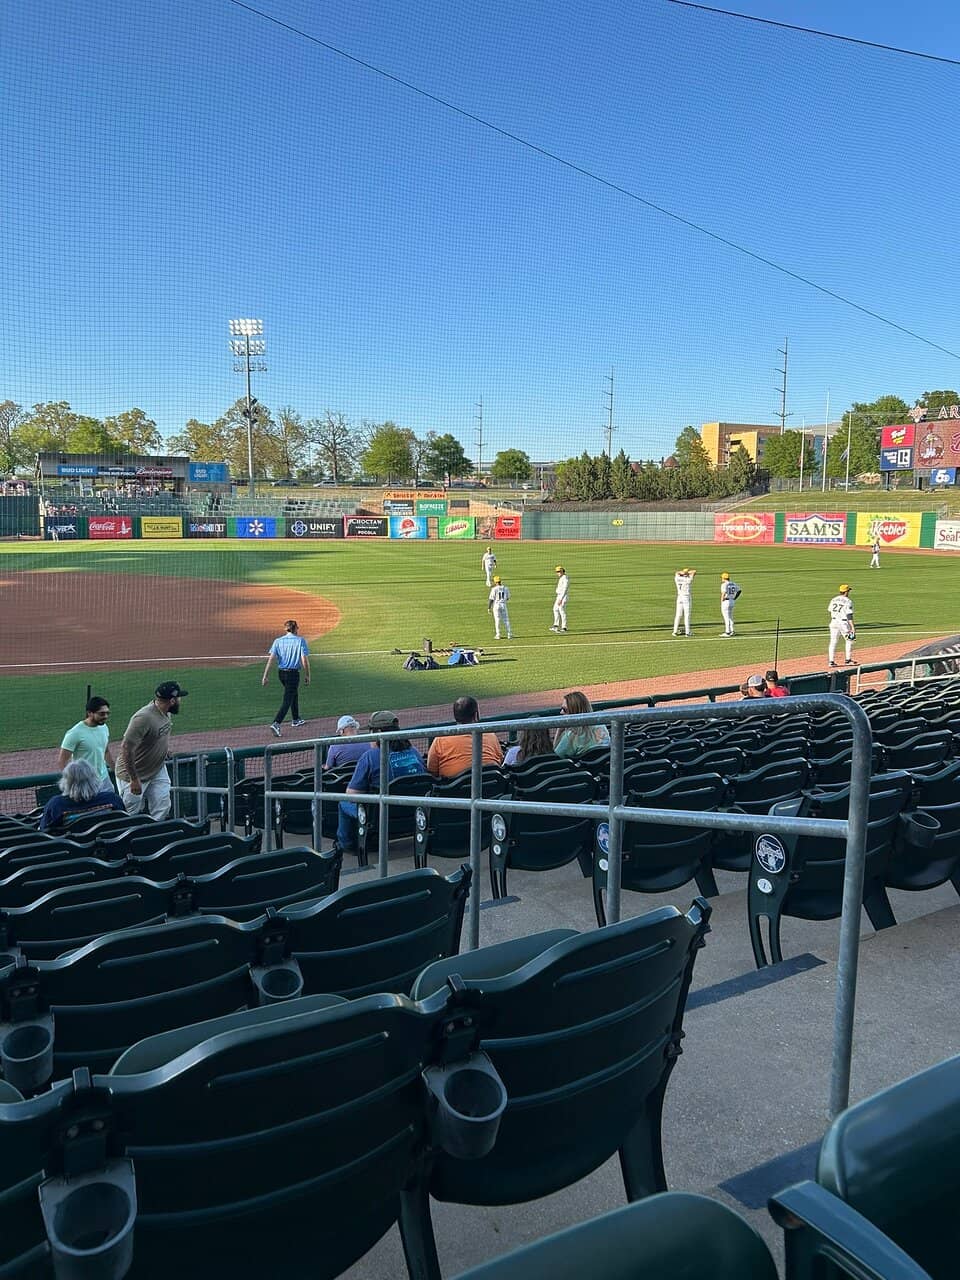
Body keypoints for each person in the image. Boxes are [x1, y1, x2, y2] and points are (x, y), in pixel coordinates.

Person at [336, 711, 427, 853]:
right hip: (415, 816)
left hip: (380, 819)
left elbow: (351, 794)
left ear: (378, 733)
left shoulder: (370, 756)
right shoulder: (414, 752)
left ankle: (346, 845)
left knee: (343, 802)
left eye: (371, 730)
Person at [114, 681, 188, 820]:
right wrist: (134, 779)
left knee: (162, 806)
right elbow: (126, 749)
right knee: (130, 813)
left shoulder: (166, 712)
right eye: (179, 698)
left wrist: (163, 750)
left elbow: (158, 734)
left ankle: (154, 837)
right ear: (172, 700)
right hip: (133, 774)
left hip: (157, 769)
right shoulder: (143, 718)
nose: (180, 701)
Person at [427, 696, 504, 777]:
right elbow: (500, 761)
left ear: (455, 716)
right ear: (476, 715)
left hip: (454, 788)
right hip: (491, 787)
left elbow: (432, 771)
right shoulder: (490, 735)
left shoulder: (441, 739)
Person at [40, 758, 124, 832]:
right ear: (94, 779)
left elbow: (44, 831)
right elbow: (125, 823)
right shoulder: (112, 799)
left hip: (70, 849)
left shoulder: (56, 805)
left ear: (67, 782)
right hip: (108, 847)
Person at [262, 619, 311, 737]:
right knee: (287, 699)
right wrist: (308, 675)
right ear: (294, 629)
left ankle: (296, 719)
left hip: (281, 674)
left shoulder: (278, 641)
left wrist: (265, 675)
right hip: (293, 674)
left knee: (293, 693)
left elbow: (271, 659)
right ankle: (276, 723)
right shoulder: (300, 641)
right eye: (297, 628)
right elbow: (304, 659)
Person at [56, 696, 115, 783]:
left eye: (107, 713)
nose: (106, 716)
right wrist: (72, 781)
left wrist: (114, 769)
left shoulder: (104, 727)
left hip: (104, 779)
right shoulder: (75, 733)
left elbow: (105, 751)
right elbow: (62, 761)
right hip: (85, 782)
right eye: (102, 713)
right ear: (90, 713)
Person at [554, 690, 610, 758]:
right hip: (607, 766)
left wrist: (559, 730)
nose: (561, 712)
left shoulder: (571, 735)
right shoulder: (600, 725)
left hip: (584, 768)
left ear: (574, 712)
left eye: (564, 709)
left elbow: (556, 756)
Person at [828, 584, 856, 667]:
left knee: (833, 642)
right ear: (846, 592)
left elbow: (830, 610)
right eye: (848, 591)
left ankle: (831, 661)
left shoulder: (833, 599)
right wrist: (852, 627)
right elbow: (849, 615)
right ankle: (848, 660)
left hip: (833, 622)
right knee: (849, 640)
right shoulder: (848, 601)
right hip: (843, 623)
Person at [673, 568, 696, 637]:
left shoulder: (677, 578)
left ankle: (675, 631)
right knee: (687, 615)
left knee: (678, 615)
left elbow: (676, 572)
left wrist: (683, 572)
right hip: (686, 597)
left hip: (679, 597)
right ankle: (688, 632)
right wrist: (687, 573)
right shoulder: (688, 579)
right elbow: (694, 571)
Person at [488, 575, 512, 640]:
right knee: (506, 620)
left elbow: (491, 599)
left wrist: (489, 608)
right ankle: (509, 634)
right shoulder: (506, 588)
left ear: (495, 582)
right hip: (503, 604)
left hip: (496, 605)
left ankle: (498, 635)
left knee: (497, 620)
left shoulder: (494, 589)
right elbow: (508, 597)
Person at [719, 572, 741, 637]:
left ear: (724, 578)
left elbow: (723, 593)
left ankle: (727, 632)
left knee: (726, 617)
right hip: (732, 601)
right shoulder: (734, 583)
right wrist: (735, 598)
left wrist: (721, 601)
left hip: (726, 601)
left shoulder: (724, 584)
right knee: (731, 617)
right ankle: (732, 630)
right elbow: (739, 591)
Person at [550, 565, 569, 633]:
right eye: (557, 572)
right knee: (555, 609)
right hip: (559, 596)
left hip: (562, 597)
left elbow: (565, 589)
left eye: (559, 571)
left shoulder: (565, 578)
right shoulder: (562, 578)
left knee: (561, 610)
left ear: (562, 571)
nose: (558, 573)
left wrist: (561, 599)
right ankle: (556, 625)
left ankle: (564, 627)